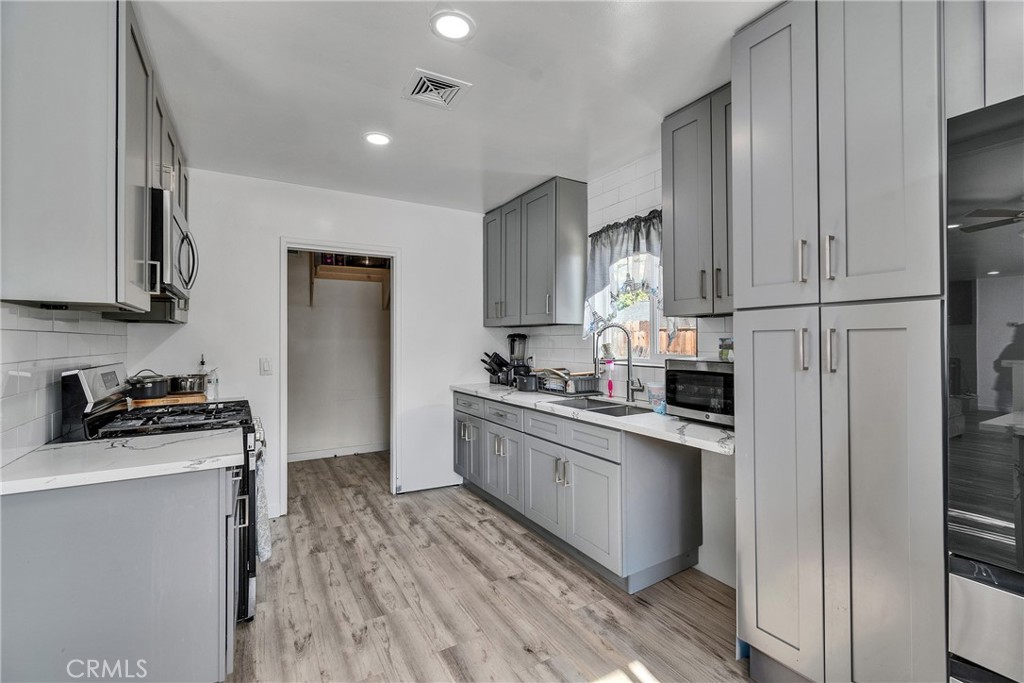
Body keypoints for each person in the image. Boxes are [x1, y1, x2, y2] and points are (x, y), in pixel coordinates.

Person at [993, 325, 1024, 412]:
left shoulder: (1010, 347)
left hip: (1017, 385)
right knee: (1005, 410)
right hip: (1006, 384)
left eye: (1016, 333)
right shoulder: (1010, 348)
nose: (1013, 335)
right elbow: (997, 365)